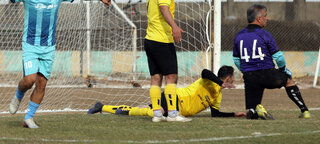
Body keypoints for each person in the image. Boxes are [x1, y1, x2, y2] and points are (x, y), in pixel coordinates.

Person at [0, 0, 116, 128]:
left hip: (49, 46)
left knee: (41, 83)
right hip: (31, 44)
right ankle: (19, 95)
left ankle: (28, 118)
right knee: (30, 79)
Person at [233, 4, 310, 120]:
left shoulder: (239, 36)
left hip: (249, 77)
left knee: (251, 111)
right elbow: (278, 57)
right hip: (267, 74)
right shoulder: (265, 34)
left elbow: (236, 59)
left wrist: (245, 70)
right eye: (265, 15)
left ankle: (255, 110)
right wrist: (283, 70)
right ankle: (304, 111)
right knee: (288, 81)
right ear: (259, 19)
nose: (267, 18)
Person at [88, 66, 246, 119]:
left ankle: (102, 107)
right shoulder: (209, 80)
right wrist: (220, 82)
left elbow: (216, 114)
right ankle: (106, 108)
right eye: (232, 77)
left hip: (178, 109)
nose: (233, 80)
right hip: (174, 99)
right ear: (228, 78)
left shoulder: (218, 95)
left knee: (147, 110)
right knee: (157, 113)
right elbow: (205, 71)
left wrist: (234, 114)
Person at [143, 0, 188, 122]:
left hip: (150, 39)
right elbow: (163, 8)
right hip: (162, 40)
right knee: (171, 76)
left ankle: (157, 114)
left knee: (156, 77)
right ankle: (172, 114)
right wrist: (175, 27)